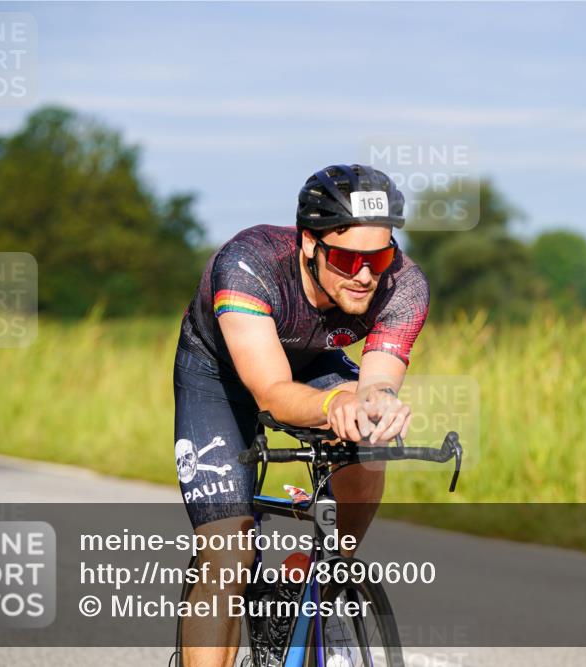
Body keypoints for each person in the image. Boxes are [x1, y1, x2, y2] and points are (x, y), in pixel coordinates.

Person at [173, 164, 430, 667]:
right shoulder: (248, 265)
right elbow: (270, 391)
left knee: (367, 444)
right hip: (218, 375)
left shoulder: (404, 285)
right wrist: (336, 403)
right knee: (228, 555)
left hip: (314, 363)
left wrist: (372, 406)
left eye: (378, 256)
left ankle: (327, 579)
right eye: (346, 258)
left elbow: (375, 385)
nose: (364, 275)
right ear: (308, 244)